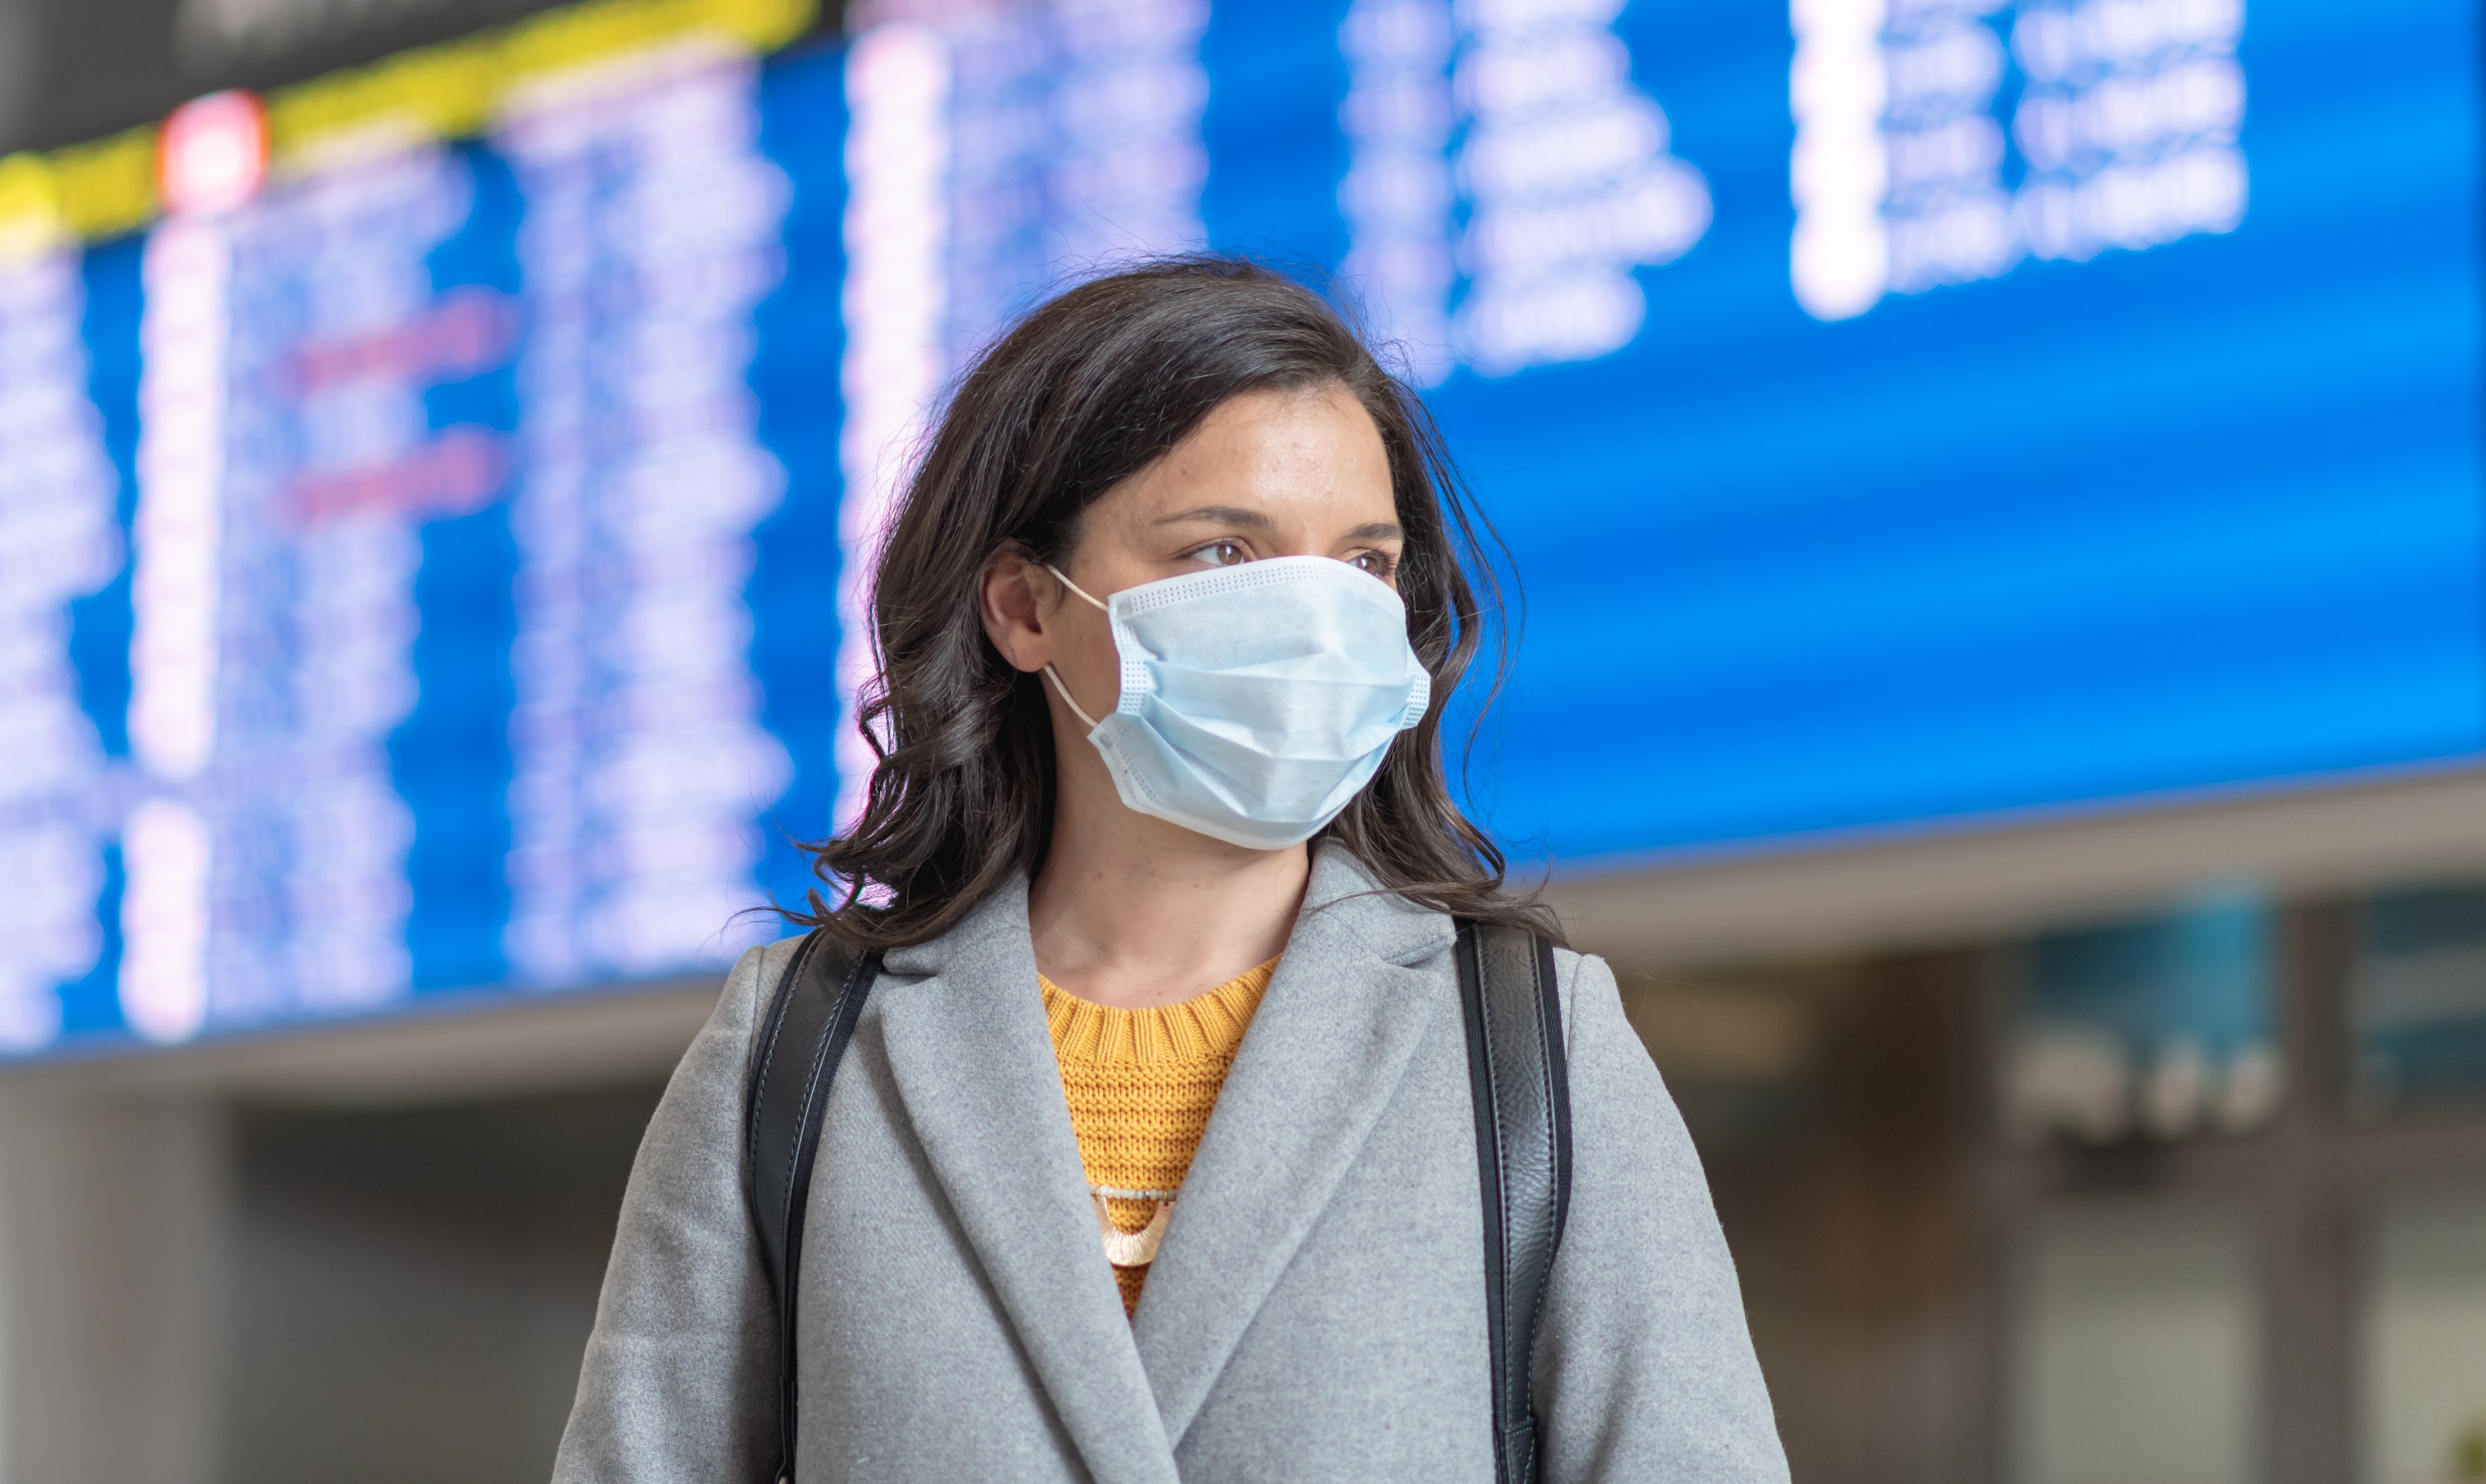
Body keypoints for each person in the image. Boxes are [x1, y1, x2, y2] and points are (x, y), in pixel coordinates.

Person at [552, 257, 1785, 1484]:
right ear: (1025, 608)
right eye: (1225, 553)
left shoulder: (1533, 1049)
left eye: (1362, 564)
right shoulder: (797, 1048)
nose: (1315, 620)